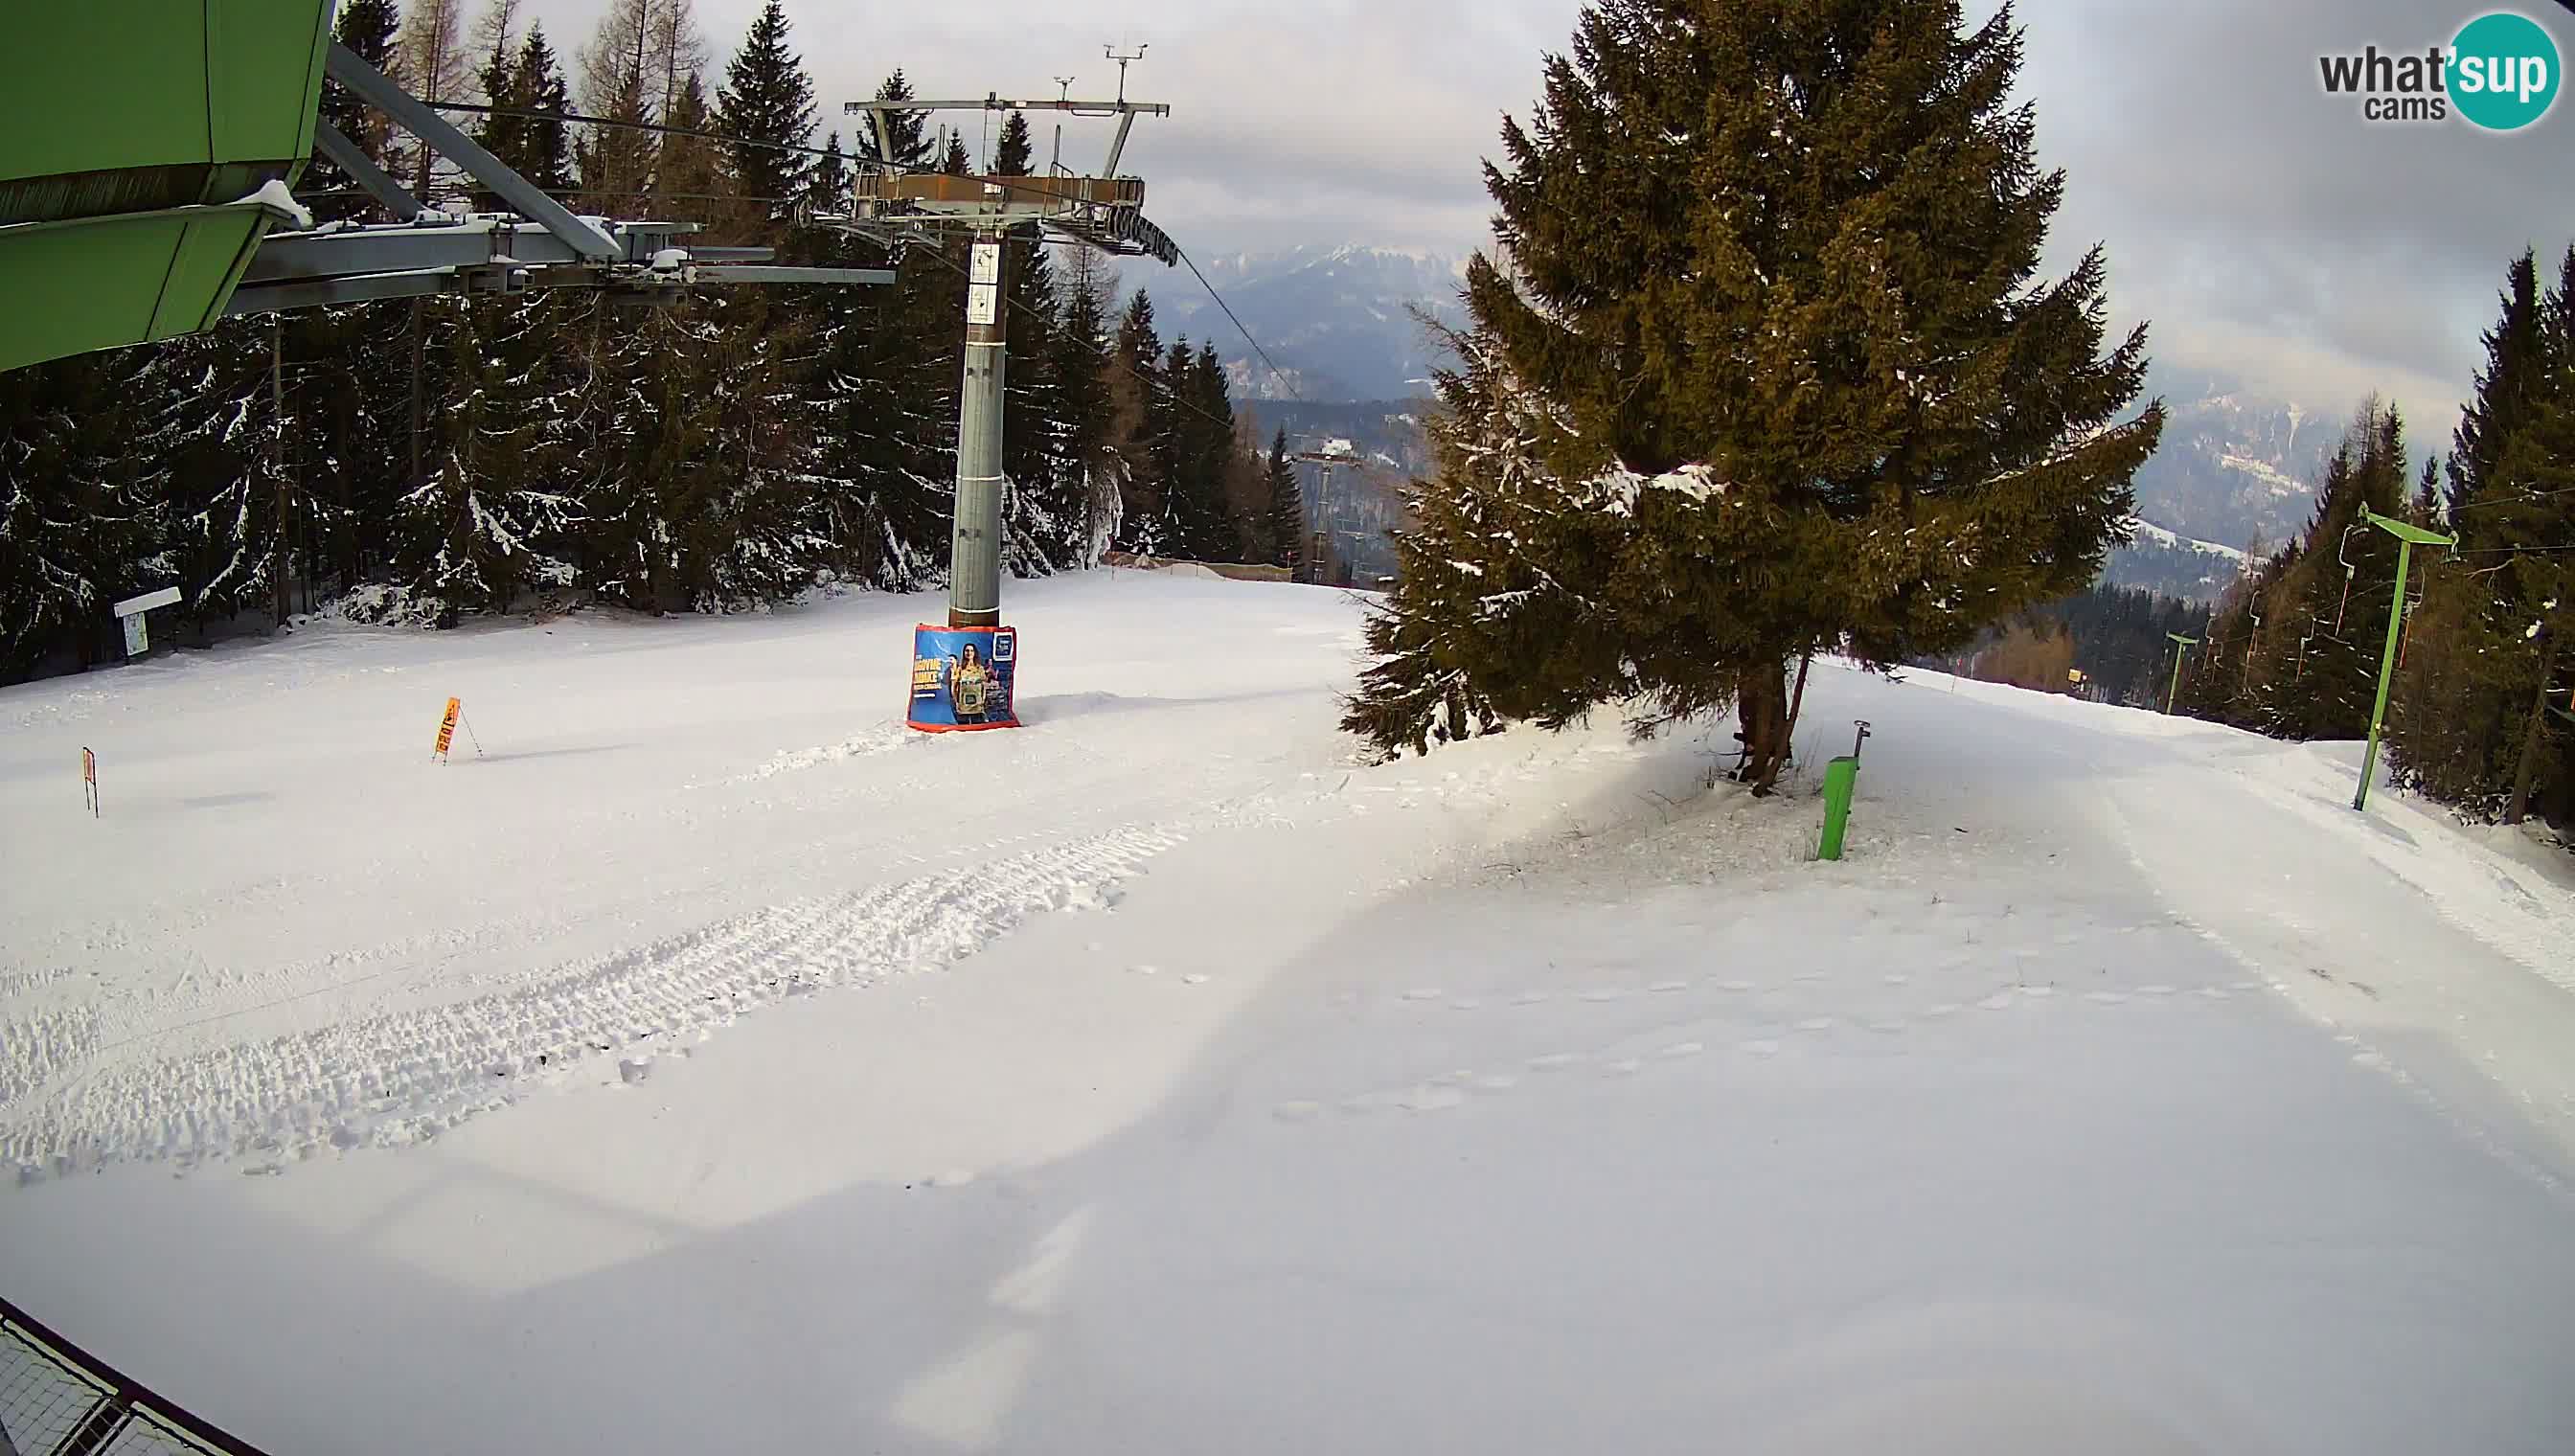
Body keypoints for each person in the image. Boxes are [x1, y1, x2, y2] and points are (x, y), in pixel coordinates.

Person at [949, 642, 991, 724]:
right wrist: (956, 702)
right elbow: (954, 687)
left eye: (971, 651)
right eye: (967, 650)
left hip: (977, 709)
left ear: (975, 653)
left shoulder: (980, 669)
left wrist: (982, 701)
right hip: (963, 709)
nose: (969, 653)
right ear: (964, 653)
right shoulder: (960, 669)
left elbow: (984, 687)